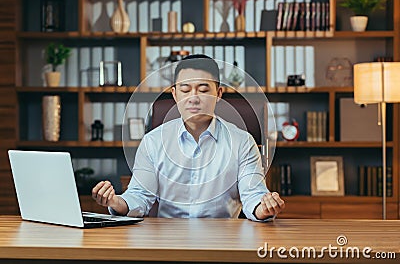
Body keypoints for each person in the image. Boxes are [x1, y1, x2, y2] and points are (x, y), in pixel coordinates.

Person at [92, 54, 285, 221]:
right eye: (185, 90)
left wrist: (264, 208)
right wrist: (116, 202)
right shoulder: (153, 141)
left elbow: (253, 196)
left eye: (203, 90)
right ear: (175, 95)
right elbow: (140, 196)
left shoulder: (242, 142)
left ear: (218, 94)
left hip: (224, 239)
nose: (193, 97)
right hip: (168, 239)